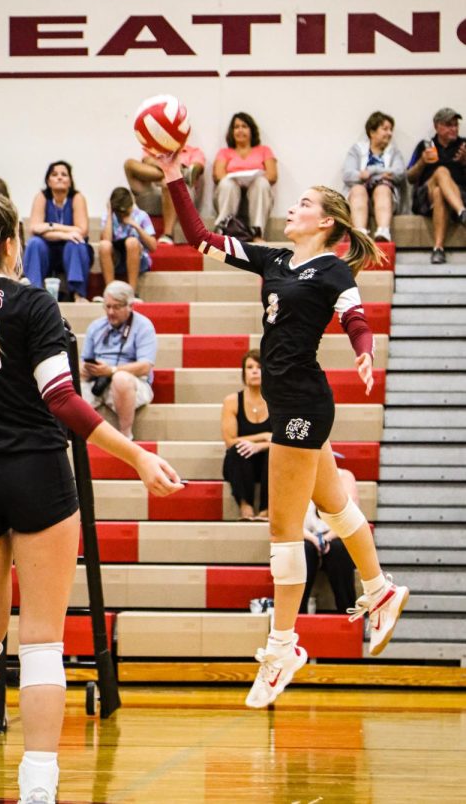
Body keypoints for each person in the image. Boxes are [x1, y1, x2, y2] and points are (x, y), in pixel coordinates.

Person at [0, 190, 182, 804]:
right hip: (38, 477)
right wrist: (138, 454)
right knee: (43, 640)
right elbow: (64, 401)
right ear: (9, 244)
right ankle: (38, 790)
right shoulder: (33, 306)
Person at [160, 150, 409, 709]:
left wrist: (365, 353)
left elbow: (355, 318)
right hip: (289, 402)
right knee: (339, 510)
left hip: (302, 404)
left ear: (326, 222)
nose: (292, 208)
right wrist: (174, 174)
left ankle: (282, 647)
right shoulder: (273, 259)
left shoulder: (332, 269)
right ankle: (380, 588)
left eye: (303, 204)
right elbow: (201, 235)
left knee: (283, 533)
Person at [80, 280, 155, 440]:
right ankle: (79, 440)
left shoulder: (143, 326)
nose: (111, 312)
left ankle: (125, 435)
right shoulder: (96, 327)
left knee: (120, 379)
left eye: (116, 307)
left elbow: (145, 367)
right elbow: (82, 361)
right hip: (97, 381)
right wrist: (86, 370)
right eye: (107, 306)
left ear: (130, 306)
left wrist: (112, 371)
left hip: (133, 383)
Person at [23, 161, 93, 302]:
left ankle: (78, 295)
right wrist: (64, 234)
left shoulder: (77, 198)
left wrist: (48, 227)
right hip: (48, 250)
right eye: (55, 175)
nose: (59, 177)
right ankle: (32, 294)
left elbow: (82, 230)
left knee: (76, 242)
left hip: (72, 252)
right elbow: (35, 228)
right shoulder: (41, 197)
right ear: (48, 181)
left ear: (70, 181)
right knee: (34, 243)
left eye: (64, 175)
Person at [407, 107, 466, 264]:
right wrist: (422, 162)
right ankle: (462, 213)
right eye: (448, 125)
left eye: (455, 125)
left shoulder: (464, 146)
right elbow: (409, 177)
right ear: (437, 126)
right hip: (425, 197)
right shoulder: (425, 145)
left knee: (440, 192)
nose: (453, 129)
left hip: (459, 194)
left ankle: (438, 249)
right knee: (440, 172)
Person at [299, 468, 359, 615]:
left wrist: (326, 538)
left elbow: (351, 518)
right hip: (306, 536)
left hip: (337, 534)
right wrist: (314, 539)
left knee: (338, 549)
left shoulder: (344, 476)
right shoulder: (294, 476)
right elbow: (286, 522)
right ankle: (296, 616)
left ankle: (348, 614)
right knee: (303, 550)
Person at [222, 349, 271, 521]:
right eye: (250, 367)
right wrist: (263, 435)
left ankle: (267, 509)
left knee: (276, 453)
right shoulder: (232, 401)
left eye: (259, 366)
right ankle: (245, 505)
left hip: (268, 462)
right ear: (244, 374)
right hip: (243, 464)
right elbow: (229, 441)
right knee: (237, 449)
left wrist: (261, 446)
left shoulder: (277, 401)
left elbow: (283, 441)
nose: (255, 370)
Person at [342, 111, 406, 242]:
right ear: (372, 132)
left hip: (386, 199)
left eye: (391, 130)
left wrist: (370, 172)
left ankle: (383, 232)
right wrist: (382, 173)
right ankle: (360, 235)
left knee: (382, 188)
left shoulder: (394, 152)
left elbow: (400, 173)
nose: (389, 133)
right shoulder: (357, 150)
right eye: (385, 129)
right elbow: (348, 174)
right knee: (358, 189)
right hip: (358, 198)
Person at [213, 112, 277, 241]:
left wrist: (251, 180)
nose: (240, 130)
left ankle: (257, 233)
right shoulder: (225, 152)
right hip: (231, 189)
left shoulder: (264, 150)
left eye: (244, 126)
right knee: (227, 183)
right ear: (232, 131)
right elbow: (218, 175)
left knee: (262, 183)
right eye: (236, 127)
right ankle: (223, 230)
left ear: (251, 130)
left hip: (256, 189)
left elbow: (272, 175)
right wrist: (238, 181)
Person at [124, 143, 205, 244]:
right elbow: (146, 161)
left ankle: (168, 234)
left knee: (168, 182)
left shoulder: (194, 151)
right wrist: (172, 169)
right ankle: (179, 172)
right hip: (154, 192)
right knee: (129, 164)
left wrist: (162, 169)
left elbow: (197, 169)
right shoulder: (152, 148)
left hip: (180, 193)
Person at [99, 188, 157, 295]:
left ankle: (132, 293)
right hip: (118, 259)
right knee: (104, 245)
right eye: (119, 212)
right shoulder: (108, 217)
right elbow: (106, 241)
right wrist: (109, 213)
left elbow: (153, 246)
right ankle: (110, 293)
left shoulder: (141, 215)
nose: (122, 215)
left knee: (131, 242)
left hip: (138, 258)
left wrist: (135, 225)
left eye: (125, 211)